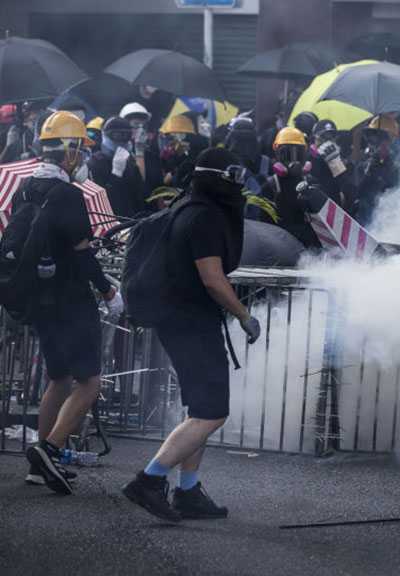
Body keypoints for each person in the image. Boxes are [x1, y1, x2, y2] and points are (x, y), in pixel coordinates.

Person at [122, 148, 261, 522]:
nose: (240, 184)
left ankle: (188, 491)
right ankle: (149, 480)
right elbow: (212, 279)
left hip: (181, 319)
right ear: (218, 177)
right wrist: (244, 315)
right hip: (191, 323)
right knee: (212, 413)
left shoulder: (188, 206)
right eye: (234, 176)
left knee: (201, 410)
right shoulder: (204, 217)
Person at [21, 111, 123, 494]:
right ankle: (49, 449)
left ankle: (38, 467)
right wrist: (109, 291)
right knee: (90, 382)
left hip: (40, 299)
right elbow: (82, 255)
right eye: (80, 149)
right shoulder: (68, 194)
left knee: (59, 378)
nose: (82, 157)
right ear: (68, 150)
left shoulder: (25, 188)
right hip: (70, 301)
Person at [262, 127, 319, 248]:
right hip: (281, 246)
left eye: (298, 153)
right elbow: (263, 224)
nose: (294, 159)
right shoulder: (271, 186)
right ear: (277, 154)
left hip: (308, 247)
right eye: (286, 153)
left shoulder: (311, 183)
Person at [88, 117, 148, 219]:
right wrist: (116, 174)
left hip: (132, 220)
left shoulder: (131, 163)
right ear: (105, 135)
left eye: (126, 135)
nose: (121, 140)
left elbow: (141, 196)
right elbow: (99, 201)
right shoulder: (95, 163)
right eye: (117, 135)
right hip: (108, 221)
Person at [352, 115, 399, 226]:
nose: (372, 141)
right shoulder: (366, 157)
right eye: (371, 135)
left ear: (390, 140)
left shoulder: (395, 163)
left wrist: (381, 164)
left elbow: (392, 190)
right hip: (360, 213)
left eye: (378, 137)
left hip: (381, 217)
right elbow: (356, 184)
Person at [119, 102, 163, 196]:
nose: (141, 130)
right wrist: (139, 151)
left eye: (144, 126)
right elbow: (138, 184)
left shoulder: (152, 156)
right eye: (136, 125)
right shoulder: (118, 156)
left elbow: (159, 188)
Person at [158, 114, 197, 191]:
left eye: (181, 133)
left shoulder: (192, 148)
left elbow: (190, 164)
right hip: (170, 186)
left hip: (184, 185)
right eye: (174, 133)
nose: (176, 135)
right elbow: (164, 164)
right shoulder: (168, 148)